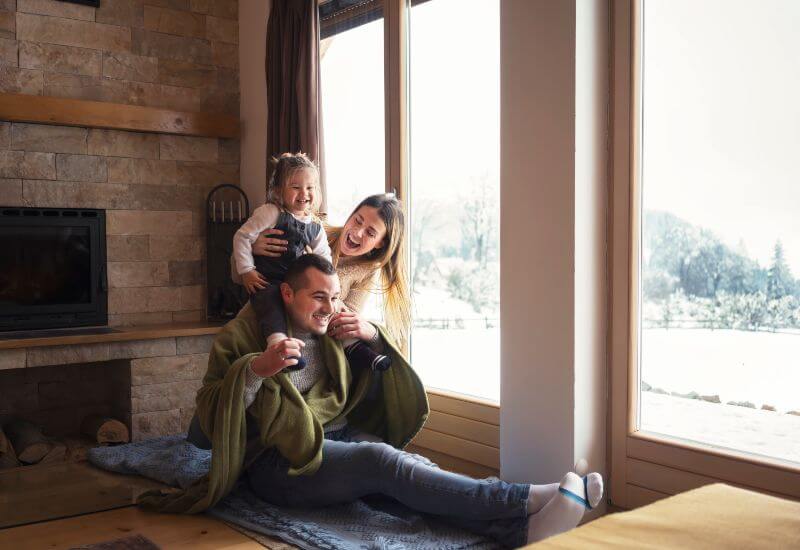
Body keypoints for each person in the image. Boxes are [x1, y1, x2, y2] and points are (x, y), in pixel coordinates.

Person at [174, 255, 603, 548]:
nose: (330, 306)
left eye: (335, 296)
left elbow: (373, 381)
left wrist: (372, 336)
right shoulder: (242, 338)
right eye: (318, 296)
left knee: (414, 473)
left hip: (332, 436)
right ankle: (524, 498)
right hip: (276, 463)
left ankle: (525, 532)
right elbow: (210, 413)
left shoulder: (332, 334)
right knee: (382, 462)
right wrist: (255, 370)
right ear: (287, 294)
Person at [231, 154, 389, 374]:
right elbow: (239, 254)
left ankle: (355, 350)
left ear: (381, 243)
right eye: (357, 220)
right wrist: (253, 253)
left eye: (371, 232)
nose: (357, 232)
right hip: (269, 295)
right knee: (272, 308)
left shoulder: (316, 230)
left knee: (335, 309)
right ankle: (278, 347)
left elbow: (324, 268)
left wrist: (333, 296)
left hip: (309, 331)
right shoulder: (301, 222)